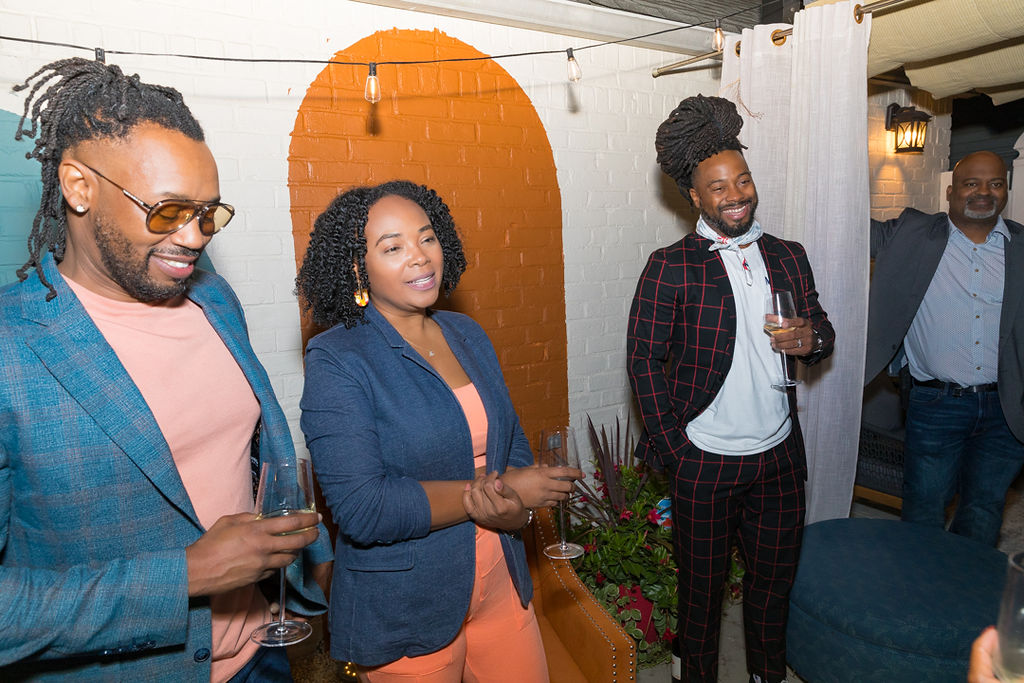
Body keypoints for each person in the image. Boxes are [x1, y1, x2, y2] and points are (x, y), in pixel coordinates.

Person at [0, 58, 330, 682]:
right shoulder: (11, 348)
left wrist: (311, 565)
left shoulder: (215, 300)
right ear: (78, 186)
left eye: (209, 213)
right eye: (168, 211)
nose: (194, 236)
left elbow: (253, 455)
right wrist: (184, 577)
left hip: (265, 655)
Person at [296, 180, 580, 681]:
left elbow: (508, 444)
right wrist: (505, 489)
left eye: (427, 238)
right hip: (408, 605)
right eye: (393, 247)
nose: (420, 258)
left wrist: (513, 511)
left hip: (500, 581)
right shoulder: (336, 359)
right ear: (357, 267)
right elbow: (364, 509)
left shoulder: (466, 333)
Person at [626, 95, 835, 683]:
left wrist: (811, 340)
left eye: (741, 180)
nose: (735, 194)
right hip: (705, 462)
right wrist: (675, 452)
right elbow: (643, 361)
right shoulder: (669, 266)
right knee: (701, 596)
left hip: (777, 457)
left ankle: (767, 674)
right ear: (695, 197)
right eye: (718, 187)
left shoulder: (789, 256)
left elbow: (823, 328)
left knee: (773, 589)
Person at [865, 151, 1024, 547]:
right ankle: (918, 599)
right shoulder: (912, 233)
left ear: (1006, 190)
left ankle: (965, 598)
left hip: (1006, 410)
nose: (984, 193)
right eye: (972, 183)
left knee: (984, 509)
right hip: (936, 405)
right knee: (923, 510)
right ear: (951, 192)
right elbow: (845, 224)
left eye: (995, 183)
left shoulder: (1021, 246)